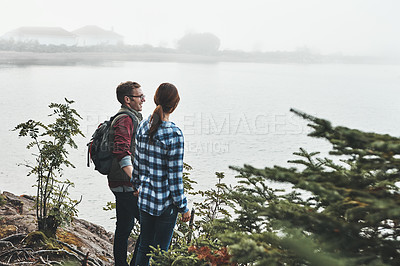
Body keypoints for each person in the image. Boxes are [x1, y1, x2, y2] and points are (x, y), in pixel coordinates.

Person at [131, 83, 191, 266]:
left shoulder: (142, 126)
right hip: (165, 205)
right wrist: (183, 207)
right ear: (174, 105)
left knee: (144, 247)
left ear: (156, 99)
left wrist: (136, 186)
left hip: (145, 199)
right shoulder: (174, 134)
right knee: (160, 254)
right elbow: (174, 178)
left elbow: (137, 164)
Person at [108, 81, 146, 266]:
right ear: (127, 99)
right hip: (125, 183)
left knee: (124, 227)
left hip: (120, 182)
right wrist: (136, 181)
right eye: (140, 96)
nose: (144, 100)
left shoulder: (128, 116)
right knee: (148, 226)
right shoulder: (125, 119)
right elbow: (122, 152)